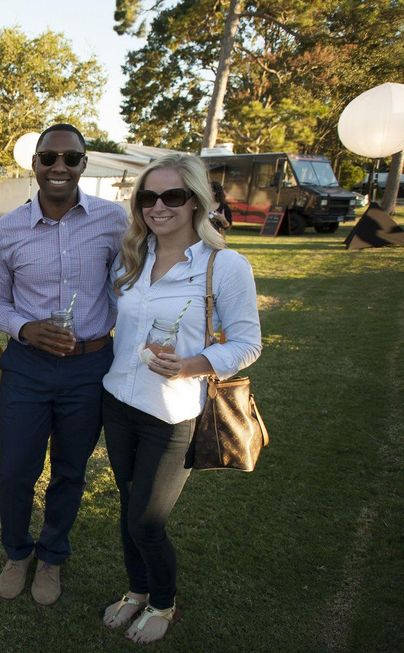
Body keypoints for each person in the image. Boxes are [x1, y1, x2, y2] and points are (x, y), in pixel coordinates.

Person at [100, 153, 262, 644]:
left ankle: (164, 603)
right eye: (148, 197)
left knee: (147, 521)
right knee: (129, 506)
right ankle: (136, 590)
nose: (159, 206)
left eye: (172, 196)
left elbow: (248, 343)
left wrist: (193, 364)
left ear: (196, 201)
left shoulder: (224, 265)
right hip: (118, 401)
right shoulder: (131, 257)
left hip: (172, 414)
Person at [0, 124, 126, 605]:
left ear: (84, 163)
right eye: (49, 158)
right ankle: (17, 552)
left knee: (70, 469)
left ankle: (51, 557)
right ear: (35, 165)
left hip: (89, 368)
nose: (59, 167)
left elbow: (133, 284)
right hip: (26, 366)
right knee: (17, 468)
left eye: (71, 158)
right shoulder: (7, 229)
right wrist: (25, 328)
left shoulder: (115, 221)